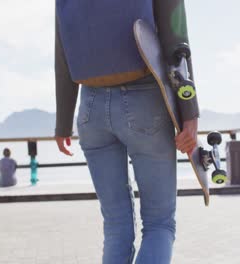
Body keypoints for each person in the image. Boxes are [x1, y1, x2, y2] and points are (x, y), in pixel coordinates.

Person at [54, 1, 199, 263]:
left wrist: (63, 121)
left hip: (89, 108)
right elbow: (176, 39)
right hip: (145, 99)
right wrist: (190, 112)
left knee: (116, 226)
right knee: (159, 224)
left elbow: (62, 48)